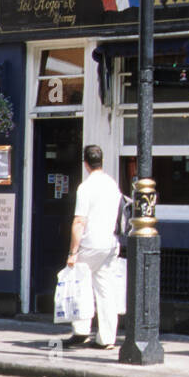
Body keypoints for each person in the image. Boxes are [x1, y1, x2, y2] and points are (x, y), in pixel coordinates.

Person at [62, 144, 121, 349]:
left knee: (81, 286)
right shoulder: (112, 185)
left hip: (90, 244)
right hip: (110, 243)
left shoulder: (86, 187)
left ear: (85, 163)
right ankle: (106, 338)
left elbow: (79, 222)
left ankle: (81, 332)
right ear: (100, 161)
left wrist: (72, 252)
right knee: (105, 290)